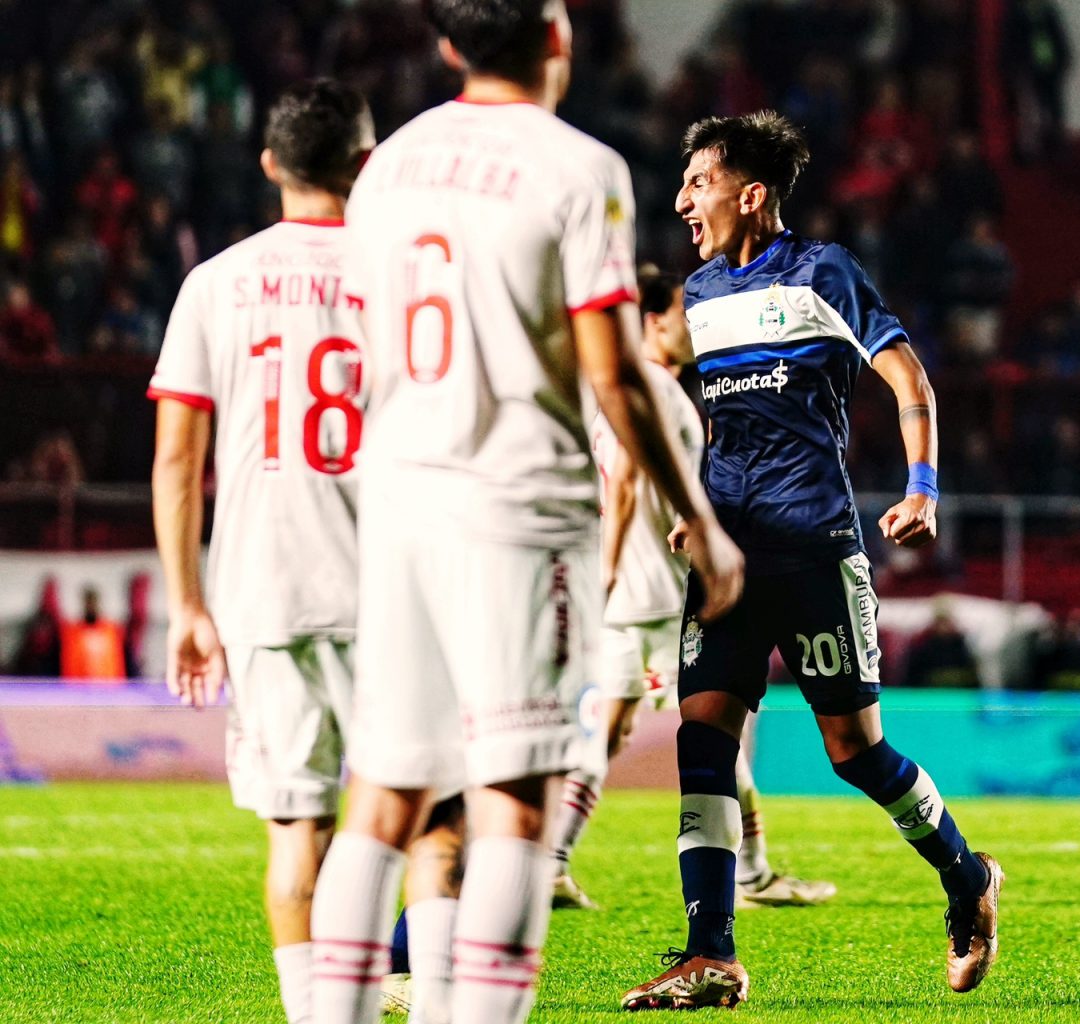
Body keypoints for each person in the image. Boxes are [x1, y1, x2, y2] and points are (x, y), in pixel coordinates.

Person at [306, 5, 744, 1024]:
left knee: (383, 796)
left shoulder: (390, 165)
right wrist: (701, 519)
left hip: (399, 502)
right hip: (516, 511)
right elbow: (613, 371)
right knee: (513, 799)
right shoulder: (577, 167)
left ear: (449, 45)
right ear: (556, 37)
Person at [621, 111, 1003, 1012]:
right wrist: (699, 512)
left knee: (854, 752)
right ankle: (710, 953)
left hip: (813, 546)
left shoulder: (823, 273)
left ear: (751, 194)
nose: (682, 201)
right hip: (729, 556)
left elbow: (909, 378)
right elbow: (724, 425)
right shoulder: (700, 292)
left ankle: (966, 875)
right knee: (703, 738)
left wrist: (922, 487)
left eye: (699, 183)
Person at [149, 79, 379, 1024]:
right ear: (366, 162)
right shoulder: (407, 274)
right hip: (396, 590)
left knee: (297, 831)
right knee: (431, 823)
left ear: (270, 163)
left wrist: (187, 604)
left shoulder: (215, 283)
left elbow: (177, 459)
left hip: (263, 588)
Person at [549, 267, 835, 911]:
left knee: (616, 727)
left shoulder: (610, 389)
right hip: (655, 592)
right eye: (683, 313)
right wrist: (612, 566)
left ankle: (552, 861)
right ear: (653, 322)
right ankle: (751, 873)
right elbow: (627, 479)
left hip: (625, 593)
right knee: (710, 724)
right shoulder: (654, 388)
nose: (693, 323)